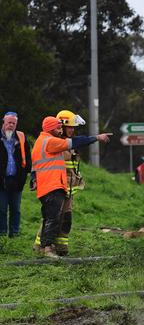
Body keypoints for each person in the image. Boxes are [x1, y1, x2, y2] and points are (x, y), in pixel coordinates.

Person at [32, 116, 111, 257]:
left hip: (48, 186)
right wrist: (97, 137)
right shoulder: (50, 141)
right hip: (52, 186)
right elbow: (74, 142)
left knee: (50, 217)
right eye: (58, 127)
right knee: (53, 218)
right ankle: (47, 248)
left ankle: (44, 247)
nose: (60, 130)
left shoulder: (41, 141)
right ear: (51, 129)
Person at [33, 110, 87, 255]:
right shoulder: (56, 143)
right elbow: (41, 162)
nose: (72, 130)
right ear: (61, 126)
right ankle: (41, 246)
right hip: (56, 186)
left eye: (73, 127)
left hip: (69, 187)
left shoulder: (67, 144)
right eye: (69, 127)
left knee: (65, 218)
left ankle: (61, 247)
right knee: (52, 217)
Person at [0, 112, 32, 237]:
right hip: (1, 181)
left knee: (16, 210)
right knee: (1, 210)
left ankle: (15, 234)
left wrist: (25, 174)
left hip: (17, 181)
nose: (11, 125)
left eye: (13, 123)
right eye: (9, 122)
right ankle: (2, 235)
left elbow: (28, 157)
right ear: (4, 122)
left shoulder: (21, 137)